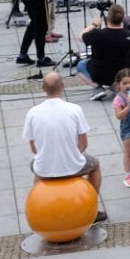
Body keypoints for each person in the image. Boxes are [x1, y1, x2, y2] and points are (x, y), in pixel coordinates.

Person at [23, 73, 106, 222]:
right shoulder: (74, 109)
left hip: (44, 169)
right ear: (63, 86)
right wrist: (70, 153)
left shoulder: (32, 113)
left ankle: (38, 210)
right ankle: (91, 207)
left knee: (37, 164)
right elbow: (83, 144)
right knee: (96, 165)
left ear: (43, 88)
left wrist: (48, 153)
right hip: (73, 166)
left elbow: (34, 148)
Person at [81, 6, 130, 101]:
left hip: (100, 74)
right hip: (122, 74)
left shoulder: (97, 34)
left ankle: (98, 88)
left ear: (107, 18)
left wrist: (94, 25)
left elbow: (80, 36)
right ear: (122, 19)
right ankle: (117, 87)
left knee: (81, 65)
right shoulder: (129, 34)